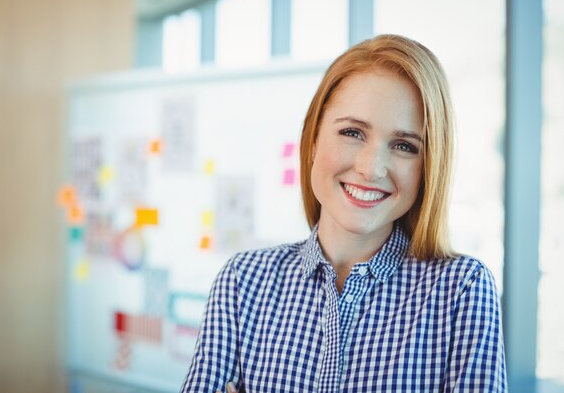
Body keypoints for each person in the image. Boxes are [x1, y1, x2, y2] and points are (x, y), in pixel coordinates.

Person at [180, 34, 507, 393]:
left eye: (403, 146)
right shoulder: (243, 282)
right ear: (313, 141)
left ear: (428, 166)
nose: (371, 168)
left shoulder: (460, 291)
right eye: (352, 132)